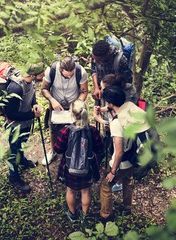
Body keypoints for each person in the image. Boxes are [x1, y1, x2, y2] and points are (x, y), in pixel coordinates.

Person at [99, 86, 150, 222]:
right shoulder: (129, 108)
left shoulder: (117, 123)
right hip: (134, 158)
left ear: (110, 103)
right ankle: (127, 207)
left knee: (106, 186)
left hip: (121, 162)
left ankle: (106, 215)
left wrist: (113, 172)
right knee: (128, 181)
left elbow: (119, 152)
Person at [54, 100, 104, 222]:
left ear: (72, 114)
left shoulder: (65, 131)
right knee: (86, 190)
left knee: (70, 190)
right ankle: (84, 216)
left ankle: (72, 214)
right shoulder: (92, 131)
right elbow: (100, 149)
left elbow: (58, 149)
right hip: (88, 166)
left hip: (69, 166)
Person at [5, 63, 45, 193]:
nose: (43, 75)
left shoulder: (30, 81)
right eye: (41, 74)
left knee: (21, 143)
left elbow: (31, 94)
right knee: (13, 150)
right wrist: (32, 115)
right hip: (15, 126)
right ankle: (13, 176)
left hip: (25, 122)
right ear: (33, 75)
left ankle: (22, 160)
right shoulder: (15, 88)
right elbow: (11, 113)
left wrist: (35, 104)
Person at [41, 56, 89, 165]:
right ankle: (53, 151)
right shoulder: (51, 70)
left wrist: (76, 104)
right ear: (60, 70)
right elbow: (44, 89)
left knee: (77, 128)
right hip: (56, 105)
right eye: (67, 75)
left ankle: (77, 150)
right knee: (54, 129)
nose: (70, 77)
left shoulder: (81, 72)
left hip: (74, 104)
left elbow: (84, 91)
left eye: (71, 75)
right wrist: (52, 100)